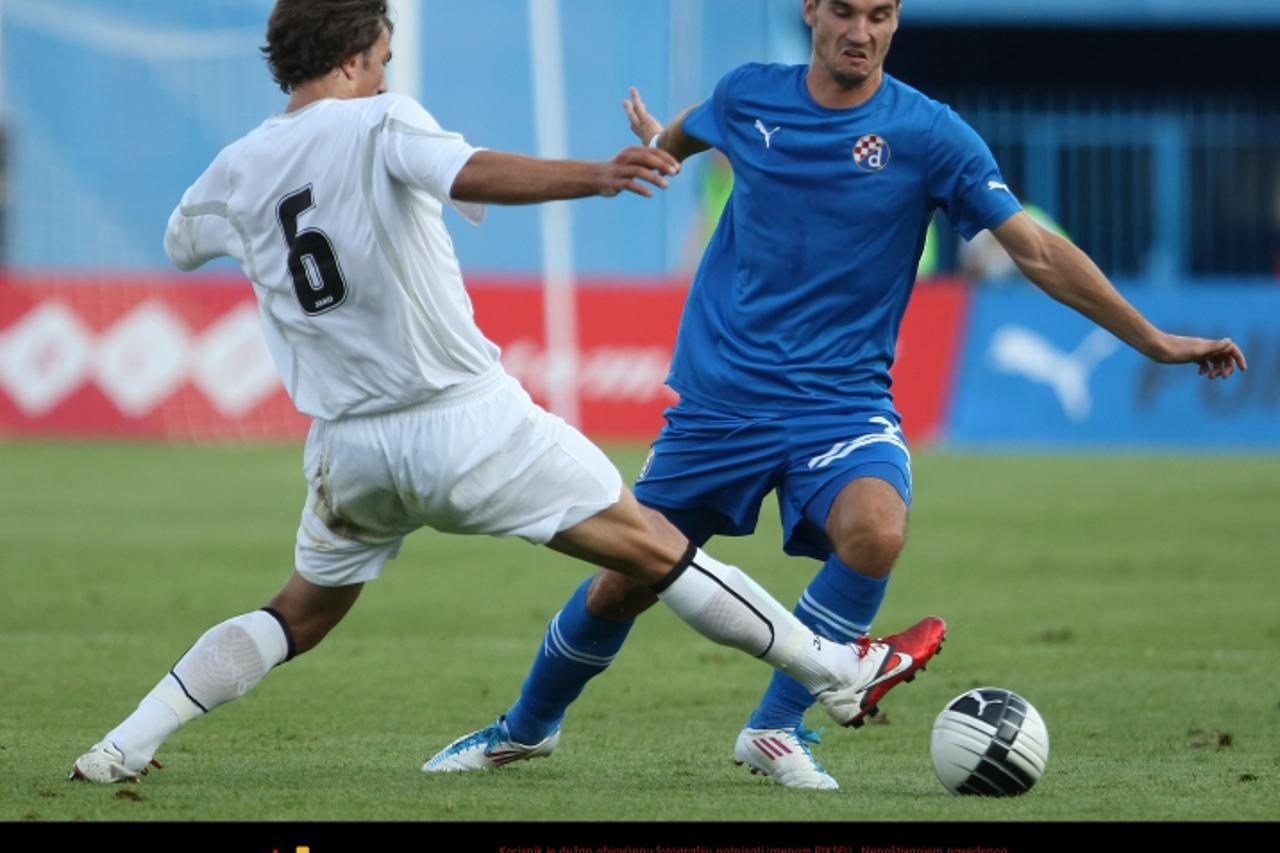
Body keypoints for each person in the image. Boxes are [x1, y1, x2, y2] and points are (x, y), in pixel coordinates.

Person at [68, 0, 949, 785]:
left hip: (349, 450)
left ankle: (124, 744)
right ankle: (837, 671)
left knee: (298, 611)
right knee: (655, 549)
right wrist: (596, 175)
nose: (383, 75)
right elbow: (472, 170)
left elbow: (185, 241)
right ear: (349, 63)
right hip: (462, 421)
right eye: (378, 59)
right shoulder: (379, 123)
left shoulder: (235, 169)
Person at [425, 0, 1246, 790]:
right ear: (811, 11)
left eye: (881, 15)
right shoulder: (751, 93)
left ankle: (778, 726)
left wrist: (1157, 340)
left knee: (877, 529)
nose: (863, 32)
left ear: (897, 21)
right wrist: (662, 147)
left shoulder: (931, 133)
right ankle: (526, 727)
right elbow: (696, 124)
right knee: (623, 579)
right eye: (847, 12)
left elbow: (1032, 250)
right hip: (722, 399)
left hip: (842, 403)